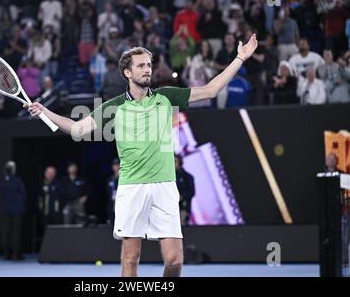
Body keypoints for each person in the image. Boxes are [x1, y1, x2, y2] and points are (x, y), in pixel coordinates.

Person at [25, 34, 258, 277]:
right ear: (127, 72)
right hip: (132, 188)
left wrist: (240, 58)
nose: (148, 69)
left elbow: (210, 90)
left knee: (175, 260)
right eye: (141, 65)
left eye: (149, 64)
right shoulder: (114, 106)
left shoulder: (167, 97)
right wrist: (44, 112)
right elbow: (77, 128)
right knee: (130, 257)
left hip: (164, 186)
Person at [0, 161, 27, 261]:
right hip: (17, 209)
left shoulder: (2, 181)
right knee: (16, 232)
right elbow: (24, 194)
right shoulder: (17, 180)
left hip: (6, 209)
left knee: (7, 232)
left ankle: (6, 253)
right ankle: (15, 253)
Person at [174, 155, 195, 226]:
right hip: (168, 208)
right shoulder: (166, 177)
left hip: (182, 208)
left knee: (180, 227)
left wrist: (181, 197)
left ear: (180, 163)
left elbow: (191, 192)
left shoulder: (187, 177)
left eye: (175, 162)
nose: (172, 164)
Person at [107, 158, 120, 225]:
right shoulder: (110, 179)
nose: (116, 166)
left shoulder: (123, 178)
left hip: (121, 201)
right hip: (112, 202)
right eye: (114, 165)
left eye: (118, 164)